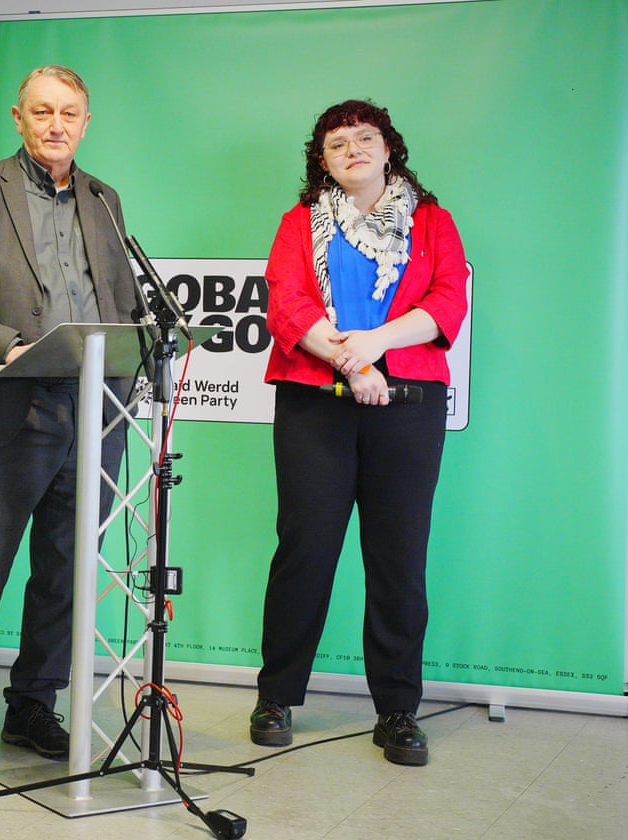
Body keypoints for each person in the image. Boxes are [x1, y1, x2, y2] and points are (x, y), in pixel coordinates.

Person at [0, 65, 138, 778]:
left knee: (66, 575)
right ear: (17, 117)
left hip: (98, 412)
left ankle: (32, 706)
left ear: (87, 121)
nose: (56, 124)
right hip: (17, 403)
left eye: (70, 112)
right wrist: (2, 346)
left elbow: (126, 302)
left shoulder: (105, 200)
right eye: (42, 111)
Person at [251, 100, 468, 766]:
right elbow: (286, 301)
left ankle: (399, 711)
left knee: (399, 559)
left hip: (407, 404)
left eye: (364, 138)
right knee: (305, 551)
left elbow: (446, 301)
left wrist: (372, 344)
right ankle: (277, 696)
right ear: (322, 158)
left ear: (388, 148)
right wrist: (352, 362)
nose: (352, 149)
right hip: (317, 402)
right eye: (337, 142)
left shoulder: (432, 222)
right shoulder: (299, 223)